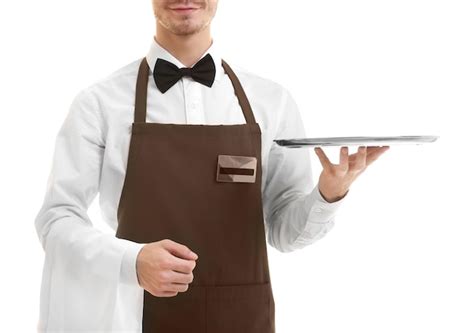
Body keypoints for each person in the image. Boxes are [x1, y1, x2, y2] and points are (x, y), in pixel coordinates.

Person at [34, 0, 389, 331]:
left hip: (243, 316)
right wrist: (132, 261)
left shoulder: (272, 101)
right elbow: (56, 218)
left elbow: (285, 233)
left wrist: (329, 193)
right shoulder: (98, 103)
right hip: (138, 315)